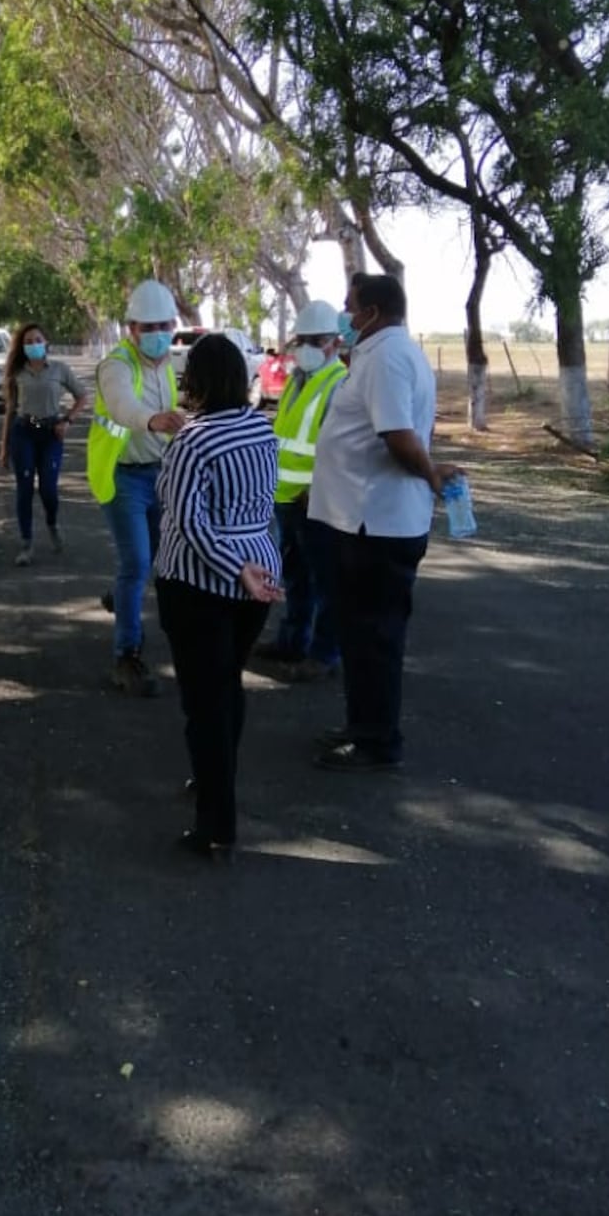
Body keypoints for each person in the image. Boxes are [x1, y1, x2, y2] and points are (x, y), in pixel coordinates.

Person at [308, 272, 457, 772]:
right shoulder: (376, 353)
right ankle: (362, 725)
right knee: (360, 635)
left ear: (371, 312)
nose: (346, 319)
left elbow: (397, 436)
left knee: (375, 639)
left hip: (376, 525)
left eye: (351, 309)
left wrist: (433, 473)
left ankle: (376, 741)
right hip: (360, 520)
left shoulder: (389, 356)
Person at [156, 334, 284, 856]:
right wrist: (251, 569)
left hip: (199, 585)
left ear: (198, 381)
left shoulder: (194, 440)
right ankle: (214, 777)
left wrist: (236, 569)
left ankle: (215, 823)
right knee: (226, 684)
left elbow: (188, 520)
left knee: (204, 701)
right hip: (259, 572)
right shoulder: (262, 429)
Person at [86, 279, 186, 696]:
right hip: (124, 476)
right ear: (131, 329)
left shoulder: (168, 365)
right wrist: (151, 420)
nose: (158, 333)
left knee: (161, 559)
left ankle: (122, 596)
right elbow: (123, 404)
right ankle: (126, 655)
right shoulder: (116, 365)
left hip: (161, 475)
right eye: (148, 327)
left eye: (164, 325)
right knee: (137, 563)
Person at [253, 300, 347, 683]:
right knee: (294, 576)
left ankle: (324, 653)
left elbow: (339, 446)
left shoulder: (340, 383)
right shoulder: (297, 380)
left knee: (325, 579)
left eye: (316, 340)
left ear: (335, 343)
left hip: (315, 498)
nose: (307, 347)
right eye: (302, 339)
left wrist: (319, 486)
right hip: (284, 495)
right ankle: (293, 640)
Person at [0, 322, 87, 566]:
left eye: (37, 340)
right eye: (28, 342)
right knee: (24, 488)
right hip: (23, 433)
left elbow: (82, 396)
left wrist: (67, 421)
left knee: (49, 488)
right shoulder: (17, 374)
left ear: (46, 342)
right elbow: (10, 411)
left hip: (51, 434)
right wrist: (4, 447)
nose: (33, 345)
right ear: (22, 347)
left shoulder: (59, 369)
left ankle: (52, 522)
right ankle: (26, 543)